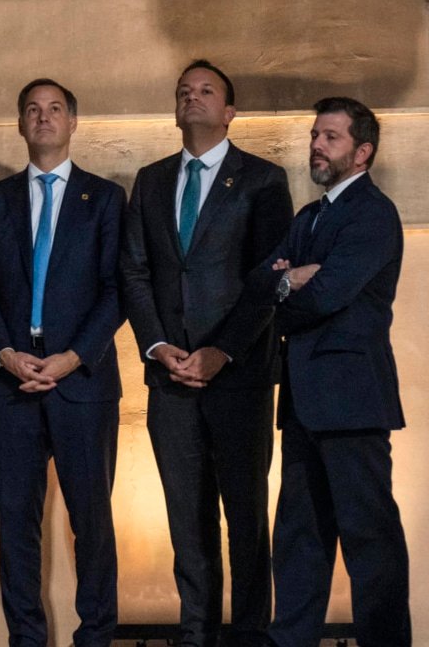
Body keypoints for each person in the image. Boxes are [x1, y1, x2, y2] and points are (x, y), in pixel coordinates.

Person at [119, 61, 292, 647]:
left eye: (206, 91)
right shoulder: (150, 179)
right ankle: (196, 632)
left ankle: (249, 635)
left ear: (229, 111)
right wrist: (159, 345)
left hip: (238, 378)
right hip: (169, 379)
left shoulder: (264, 180)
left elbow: (269, 278)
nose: (193, 98)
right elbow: (135, 273)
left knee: (245, 517)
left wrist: (222, 351)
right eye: (183, 92)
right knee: (185, 520)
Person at [0, 79, 125, 647]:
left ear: (73, 122)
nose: (43, 117)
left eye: (55, 109)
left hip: (81, 381)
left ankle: (96, 637)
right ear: (20, 123)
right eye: (32, 109)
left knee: (93, 525)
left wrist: (71, 356)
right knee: (16, 529)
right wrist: (7, 354)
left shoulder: (105, 199)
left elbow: (116, 290)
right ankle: (26, 639)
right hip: (11, 385)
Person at [248, 98, 410, 647]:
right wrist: (291, 279)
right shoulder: (310, 216)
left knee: (370, 541)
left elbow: (329, 296)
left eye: (331, 137)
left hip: (353, 402)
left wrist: (291, 283)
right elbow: (262, 285)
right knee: (299, 539)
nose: (316, 145)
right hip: (302, 403)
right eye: (315, 134)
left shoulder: (372, 213)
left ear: (362, 152)